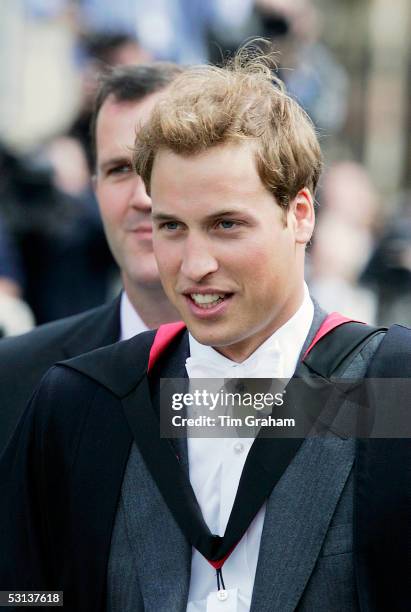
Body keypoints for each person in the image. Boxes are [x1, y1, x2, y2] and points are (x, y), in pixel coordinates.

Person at [0, 49, 409, 611]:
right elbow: (24, 594)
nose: (194, 266)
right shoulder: (85, 402)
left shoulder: (393, 389)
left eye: (226, 225)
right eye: (171, 227)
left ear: (301, 214)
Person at [0, 63, 180, 453]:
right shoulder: (15, 376)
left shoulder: (304, 380)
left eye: (161, 164)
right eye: (119, 170)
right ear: (95, 190)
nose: (142, 197)